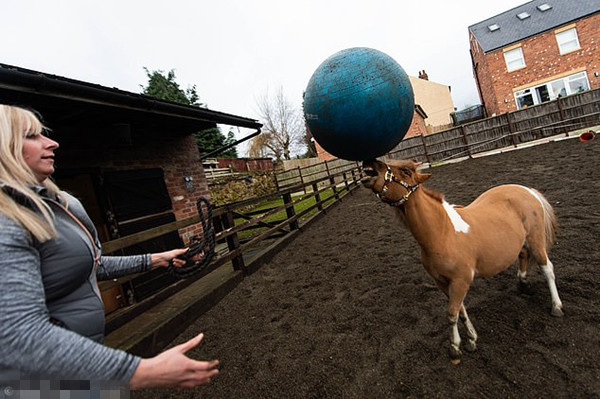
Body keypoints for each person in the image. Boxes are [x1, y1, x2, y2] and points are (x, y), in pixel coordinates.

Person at [0, 104, 219, 389]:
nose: (52, 143)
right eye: (32, 136)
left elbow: (93, 263)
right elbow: (16, 334)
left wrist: (157, 258)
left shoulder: (54, 205)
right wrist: (140, 372)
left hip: (78, 367)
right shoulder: (6, 220)